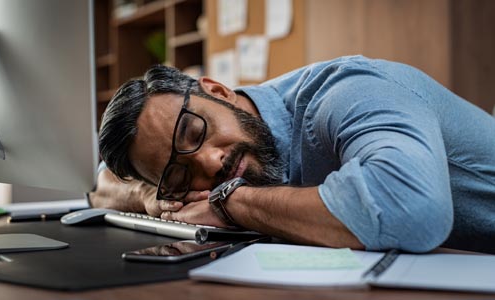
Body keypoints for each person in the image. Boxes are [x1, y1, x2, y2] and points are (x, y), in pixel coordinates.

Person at [93, 55, 495, 254]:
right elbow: (103, 180)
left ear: (217, 91)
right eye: (180, 174)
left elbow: (411, 209)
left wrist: (232, 202)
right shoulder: (200, 164)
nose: (210, 163)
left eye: (195, 132)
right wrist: (152, 196)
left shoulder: (344, 92)